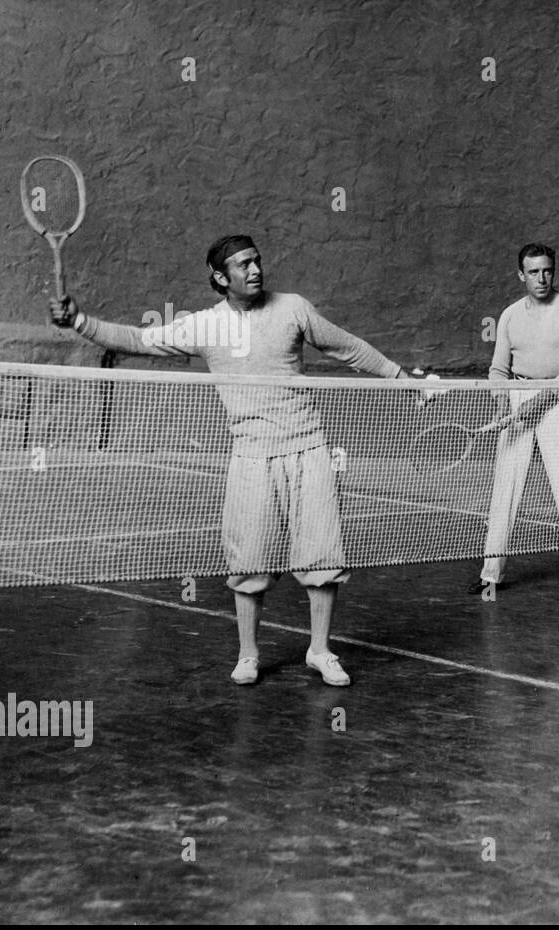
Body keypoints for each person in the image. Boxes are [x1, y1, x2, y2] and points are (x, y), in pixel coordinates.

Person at [49, 235, 407, 688]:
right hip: (251, 456)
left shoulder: (293, 308)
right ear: (221, 278)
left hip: (309, 448)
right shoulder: (204, 326)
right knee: (249, 560)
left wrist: (400, 377)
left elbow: (348, 346)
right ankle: (249, 654)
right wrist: (78, 320)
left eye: (256, 261)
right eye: (243, 265)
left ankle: (320, 650)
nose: (255, 270)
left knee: (322, 556)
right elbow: (138, 339)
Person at [468, 243, 559, 603]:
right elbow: (499, 370)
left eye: (547, 270)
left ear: (554, 270)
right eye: (533, 272)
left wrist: (538, 402)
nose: (541, 278)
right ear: (521, 275)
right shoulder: (510, 315)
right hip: (517, 399)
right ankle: (491, 576)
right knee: (505, 491)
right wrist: (502, 401)